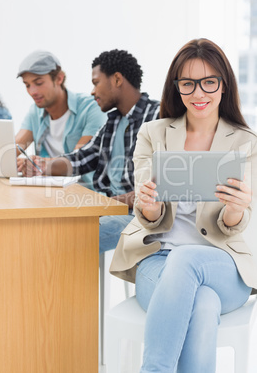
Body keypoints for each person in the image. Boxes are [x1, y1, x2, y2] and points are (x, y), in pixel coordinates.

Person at [109, 38, 257, 373]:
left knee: (188, 257)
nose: (198, 93)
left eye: (209, 82)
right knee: (203, 303)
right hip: (158, 259)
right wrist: (148, 205)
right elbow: (148, 217)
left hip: (222, 262)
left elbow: (238, 222)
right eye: (188, 83)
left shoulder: (246, 143)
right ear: (176, 88)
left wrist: (235, 209)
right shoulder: (153, 134)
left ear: (223, 86)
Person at [21, 49, 160, 253]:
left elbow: (160, 187)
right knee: (47, 225)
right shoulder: (112, 122)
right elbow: (81, 159)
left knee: (69, 237)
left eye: (96, 83)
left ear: (117, 80)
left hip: (140, 216)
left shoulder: (157, 116)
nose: (93, 91)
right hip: (108, 209)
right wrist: (44, 166)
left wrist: (105, 202)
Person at [15, 50, 106, 188]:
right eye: (27, 85)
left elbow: (78, 159)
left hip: (85, 194)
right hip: (49, 193)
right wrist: (21, 163)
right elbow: (13, 149)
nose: (32, 91)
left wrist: (39, 163)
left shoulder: (91, 108)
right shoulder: (35, 112)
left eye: (38, 83)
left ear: (59, 78)